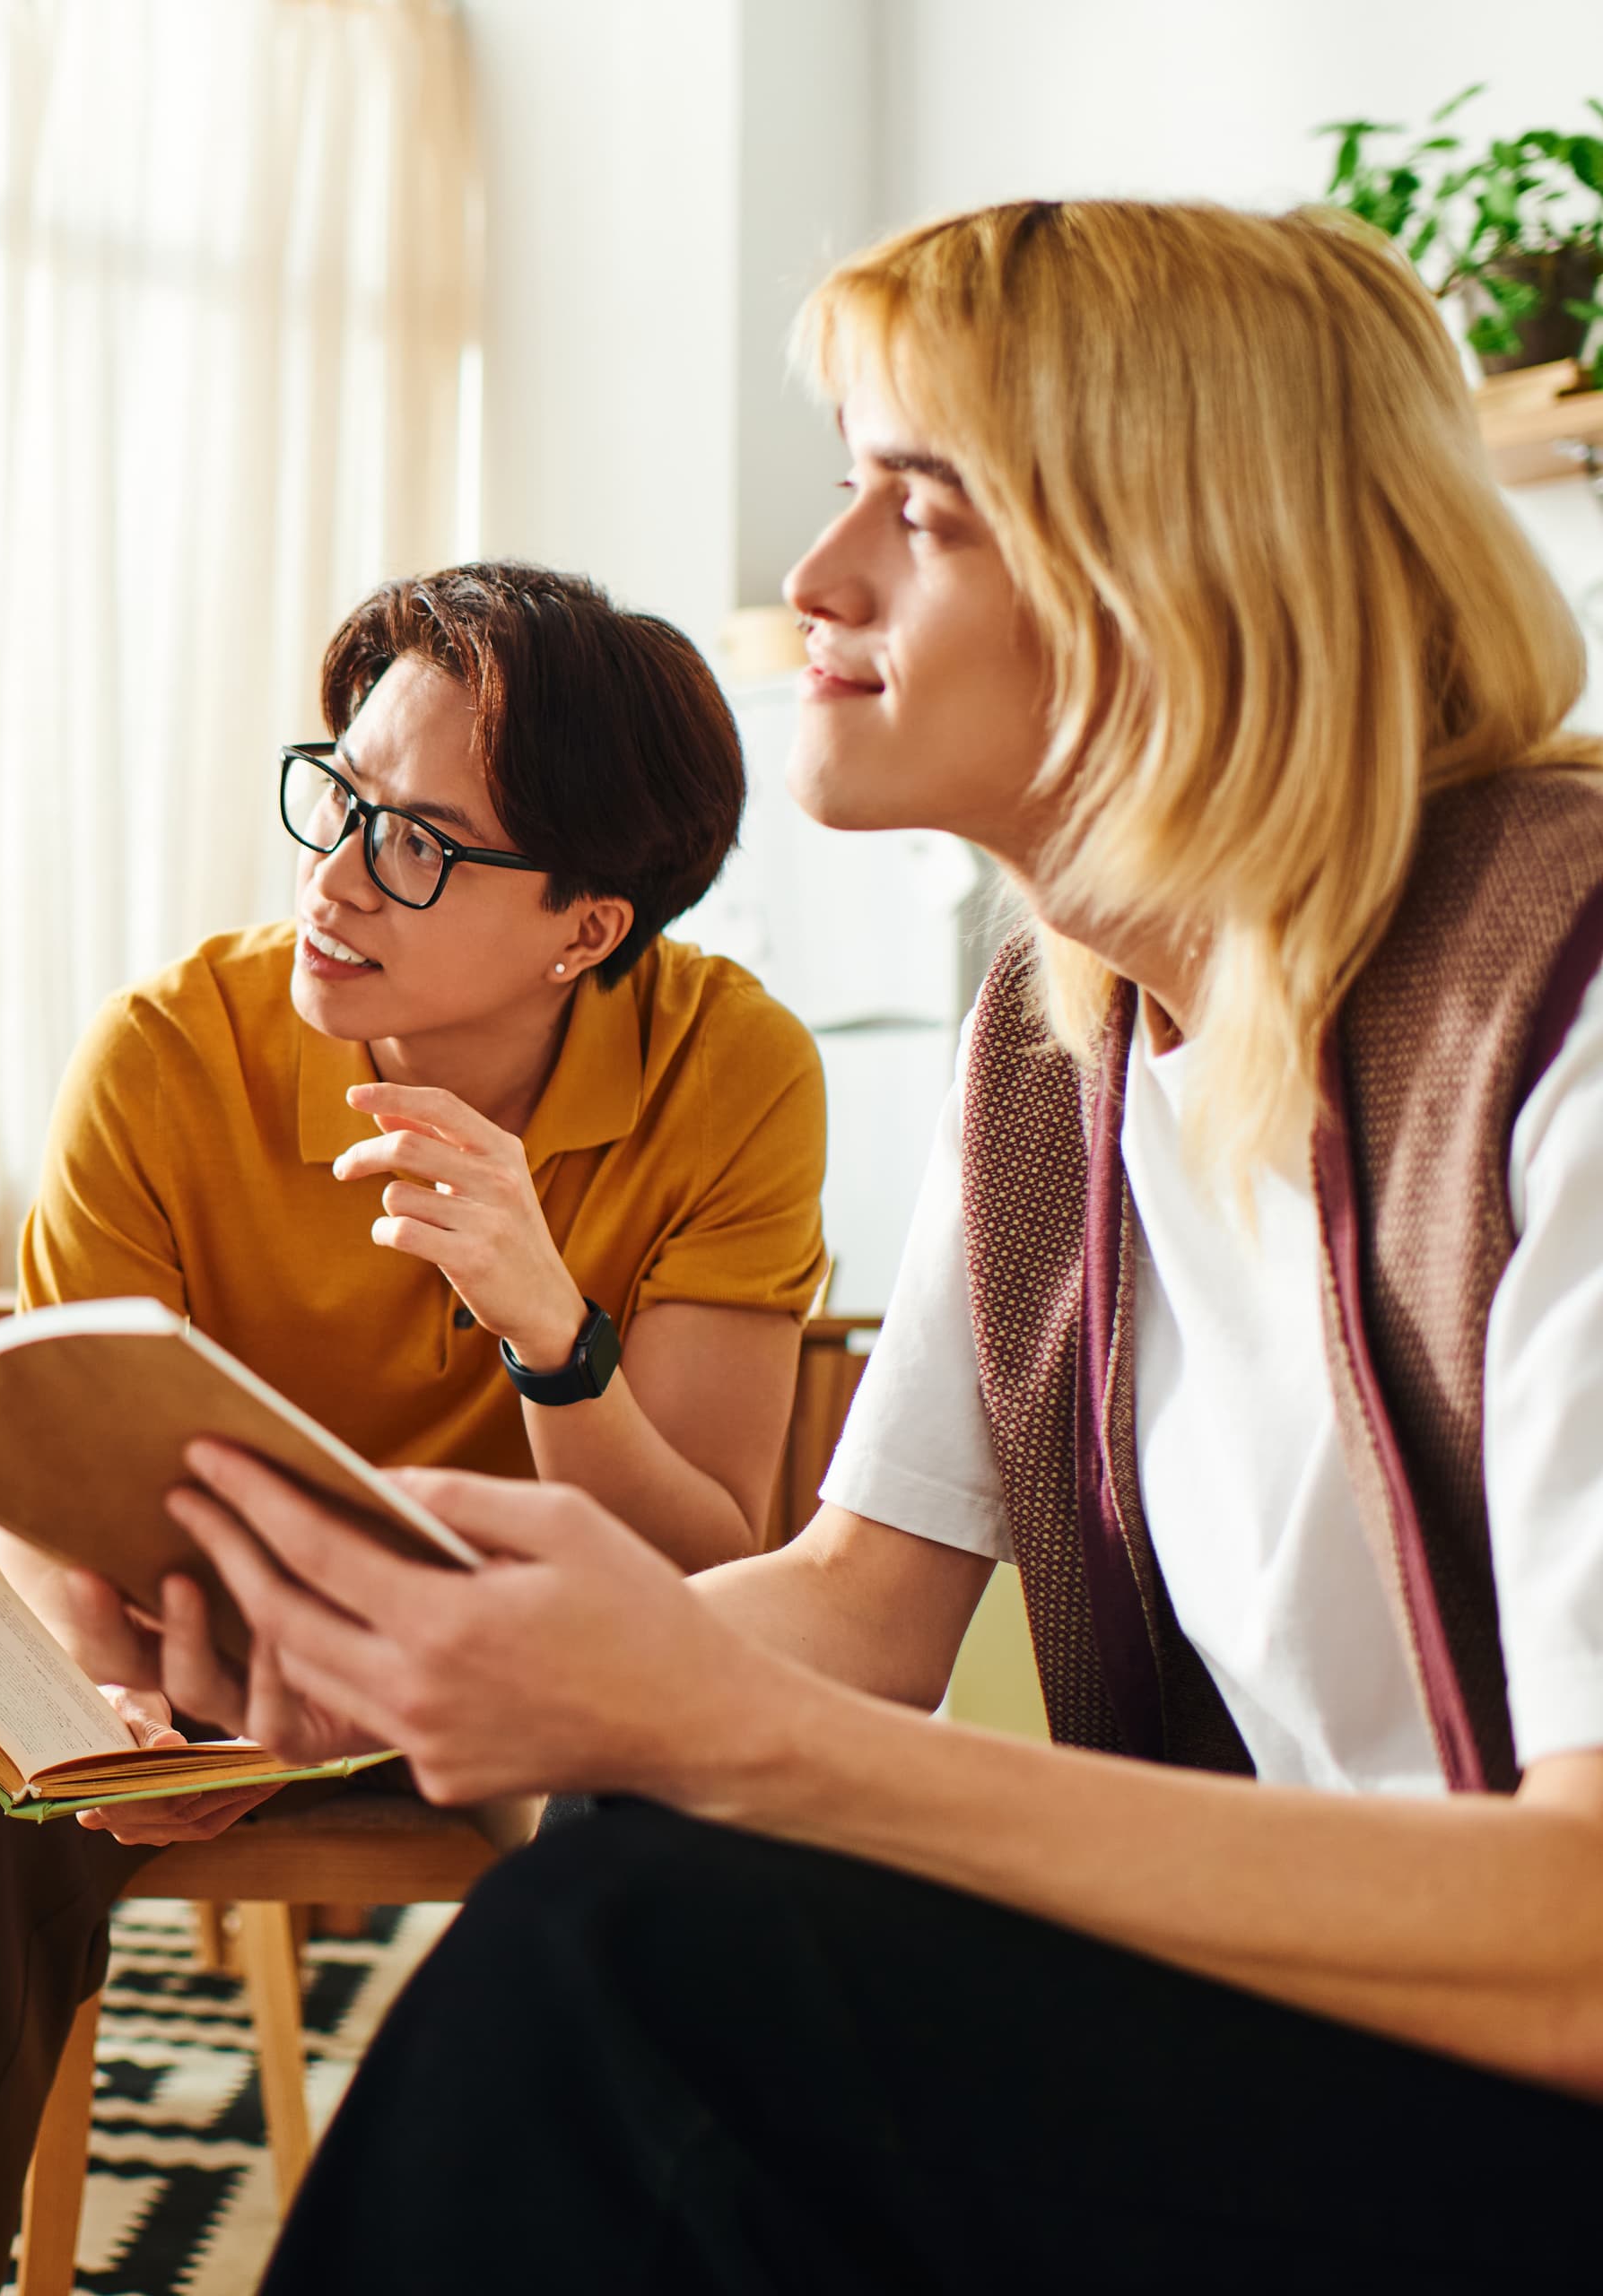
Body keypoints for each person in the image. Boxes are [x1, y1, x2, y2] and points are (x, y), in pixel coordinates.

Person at [165, 201, 1603, 2292]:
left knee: (643, 1952)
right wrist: (426, 1642)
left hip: (1530, 2093)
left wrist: (719, 1723)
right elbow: (856, 1601)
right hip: (1354, 2050)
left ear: (1191, 566)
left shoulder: (1565, 1004)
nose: (815, 577)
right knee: (640, 1848)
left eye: (915, 507)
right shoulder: (1056, 1042)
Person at [0, 562, 831, 2294]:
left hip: (532, 1675)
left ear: (587, 929)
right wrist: (119, 1715)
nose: (337, 875)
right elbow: (38, 1489)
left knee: (685, 1794)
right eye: (341, 795)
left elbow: (706, 1565)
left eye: (418, 843)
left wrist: (548, 1329)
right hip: (198, 1645)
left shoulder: (733, 1072)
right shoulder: (165, 1054)